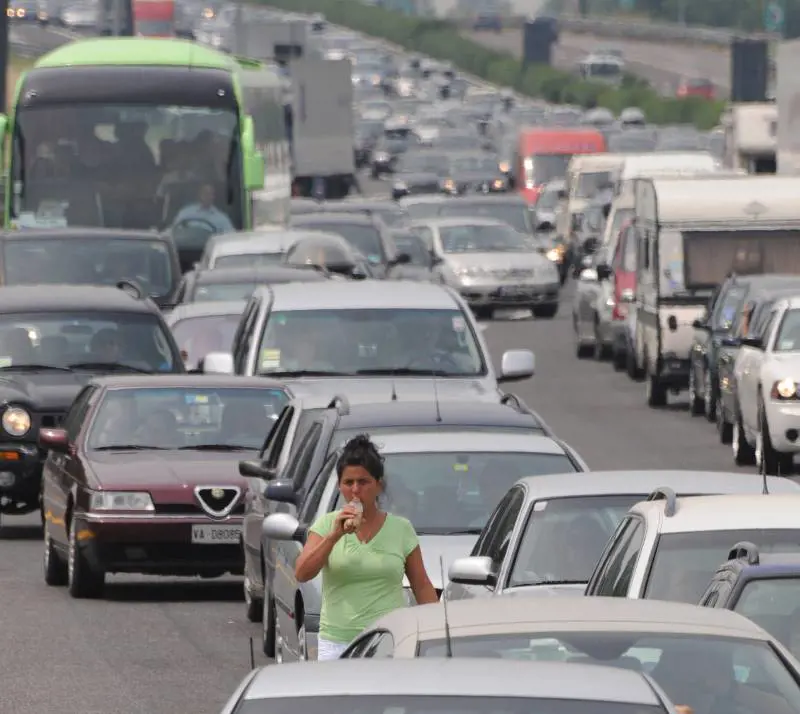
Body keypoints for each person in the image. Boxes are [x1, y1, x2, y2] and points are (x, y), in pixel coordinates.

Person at [295, 434, 438, 660]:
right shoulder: (326, 525)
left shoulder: (401, 529)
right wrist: (334, 536)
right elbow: (302, 572)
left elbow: (421, 586)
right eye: (348, 483)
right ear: (340, 486)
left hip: (388, 641)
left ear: (378, 485)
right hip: (337, 642)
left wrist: (437, 629)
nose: (355, 490)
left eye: (363, 482)